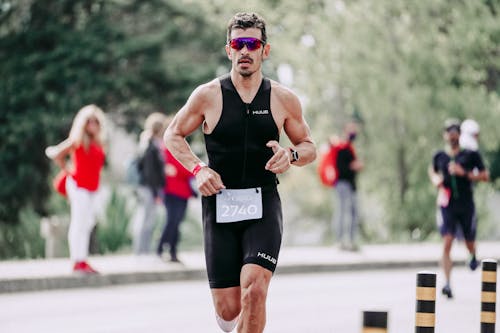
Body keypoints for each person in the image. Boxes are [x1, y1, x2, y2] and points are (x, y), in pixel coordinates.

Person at [163, 12, 316, 333]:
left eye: (252, 44)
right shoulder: (208, 95)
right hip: (219, 205)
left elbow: (309, 146)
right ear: (229, 50)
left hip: (263, 204)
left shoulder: (283, 99)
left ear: (265, 50)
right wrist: (198, 168)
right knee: (229, 309)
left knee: (255, 289)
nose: (245, 50)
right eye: (238, 43)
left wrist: (291, 154)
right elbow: (172, 134)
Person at [428, 119, 489, 299]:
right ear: (445, 135)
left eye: (455, 131)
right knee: (447, 240)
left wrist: (466, 174)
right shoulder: (440, 156)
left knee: (469, 241)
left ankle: (472, 255)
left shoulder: (470, 155)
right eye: (449, 132)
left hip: (466, 204)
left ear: (460, 135)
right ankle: (447, 283)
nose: (452, 135)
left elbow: (485, 175)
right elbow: (431, 170)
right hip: (447, 205)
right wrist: (435, 180)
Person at [45, 104, 106, 274]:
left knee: (88, 223)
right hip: (79, 185)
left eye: (95, 122)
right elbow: (56, 153)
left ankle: (82, 259)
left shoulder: (98, 142)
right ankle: (77, 260)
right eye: (89, 121)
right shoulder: (77, 140)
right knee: (79, 223)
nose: (92, 125)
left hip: (92, 187)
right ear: (83, 123)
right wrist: (67, 170)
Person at [157, 116, 197, 262]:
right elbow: (185, 168)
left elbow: (184, 168)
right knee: (171, 221)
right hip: (172, 191)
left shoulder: (181, 146)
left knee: (177, 222)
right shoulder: (167, 146)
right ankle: (161, 249)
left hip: (182, 191)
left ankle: (172, 251)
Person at [132, 112, 166, 255]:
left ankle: (142, 251)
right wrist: (155, 192)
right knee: (146, 219)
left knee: (145, 218)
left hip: (146, 186)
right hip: (148, 188)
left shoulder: (148, 143)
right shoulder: (151, 146)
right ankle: (142, 252)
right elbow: (150, 172)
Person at [332, 122, 363, 251]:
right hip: (342, 185)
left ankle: (351, 241)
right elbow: (340, 169)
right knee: (342, 212)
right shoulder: (341, 148)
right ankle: (340, 241)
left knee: (353, 212)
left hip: (351, 185)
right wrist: (354, 166)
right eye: (351, 130)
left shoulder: (350, 148)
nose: (353, 133)